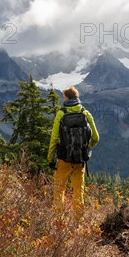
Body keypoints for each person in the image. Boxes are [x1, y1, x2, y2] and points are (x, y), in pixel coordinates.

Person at [48, 85, 99, 218]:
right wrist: (87, 149)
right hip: (80, 160)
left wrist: (50, 158)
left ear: (66, 97)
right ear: (77, 97)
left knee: (59, 189)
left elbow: (54, 139)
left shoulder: (61, 114)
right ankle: (78, 222)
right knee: (78, 191)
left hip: (64, 158)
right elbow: (96, 137)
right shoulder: (85, 113)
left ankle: (58, 220)